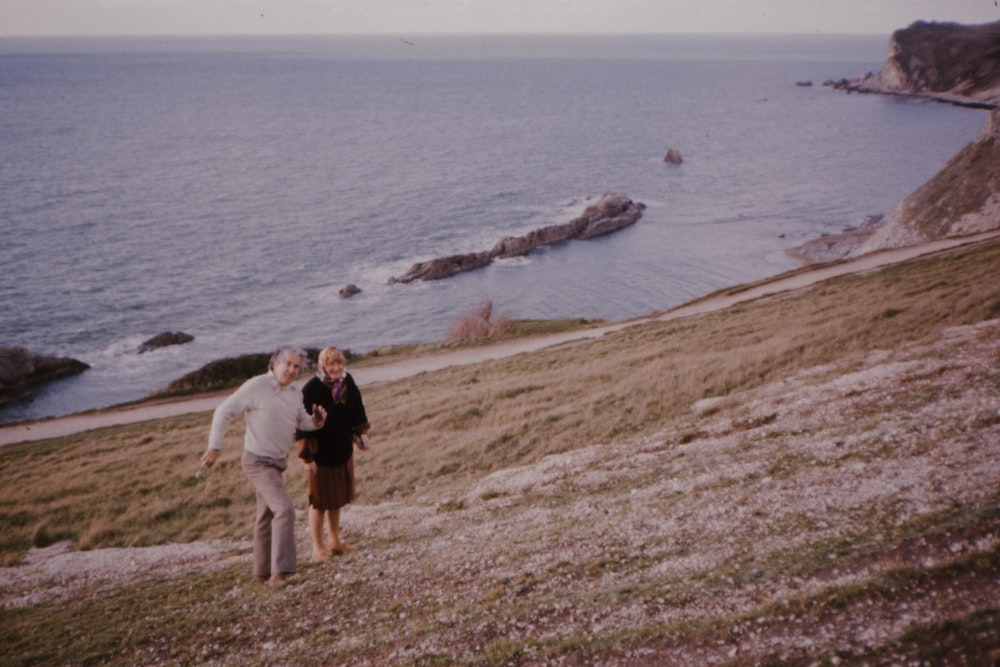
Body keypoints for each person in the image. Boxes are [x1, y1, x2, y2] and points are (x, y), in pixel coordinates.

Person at [200, 346, 326, 590]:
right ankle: (280, 573)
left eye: (296, 367)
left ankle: (261, 571)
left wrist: (317, 421)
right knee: (284, 509)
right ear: (274, 363)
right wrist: (214, 447)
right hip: (257, 462)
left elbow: (305, 423)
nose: (291, 370)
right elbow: (223, 411)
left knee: (265, 516)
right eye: (287, 364)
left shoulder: (294, 393)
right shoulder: (256, 386)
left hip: (277, 463)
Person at [296, 346, 371, 562]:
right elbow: (301, 424)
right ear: (323, 366)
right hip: (319, 455)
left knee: (336, 498)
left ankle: (335, 542)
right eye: (331, 365)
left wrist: (361, 434)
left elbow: (358, 410)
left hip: (341, 449)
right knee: (318, 502)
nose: (336, 368)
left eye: (339, 363)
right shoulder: (311, 389)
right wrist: (307, 457)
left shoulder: (348, 383)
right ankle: (317, 549)